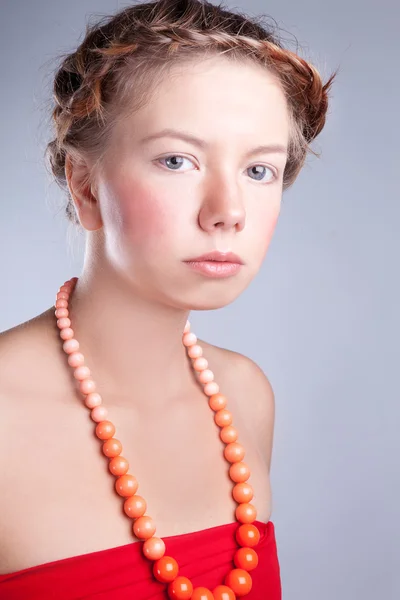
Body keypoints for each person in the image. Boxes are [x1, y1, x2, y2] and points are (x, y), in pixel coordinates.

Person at [0, 0, 336, 598]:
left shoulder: (244, 395)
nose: (227, 211)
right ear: (86, 186)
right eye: (177, 160)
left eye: (260, 171)